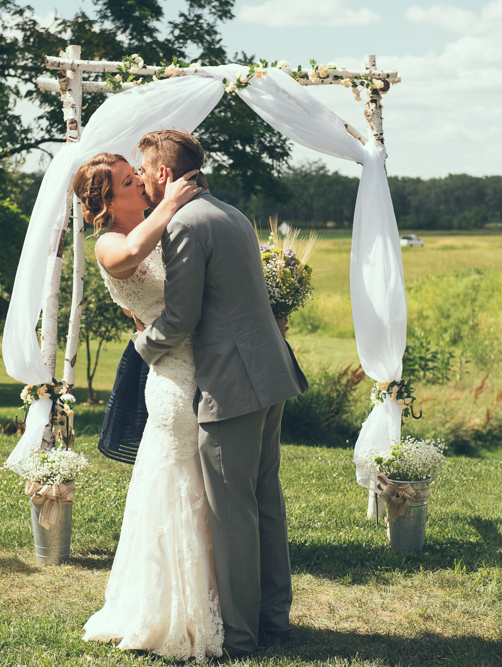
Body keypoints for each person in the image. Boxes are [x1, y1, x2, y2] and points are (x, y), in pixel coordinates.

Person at [132, 130, 308, 657]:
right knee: (264, 500)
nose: (141, 181)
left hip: (232, 383)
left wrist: (141, 344)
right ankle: (273, 618)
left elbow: (182, 318)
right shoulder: (228, 213)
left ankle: (240, 636)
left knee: (232, 511)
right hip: (270, 371)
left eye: (143, 172)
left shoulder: (183, 224)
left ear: (163, 174)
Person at [73, 152, 225, 660]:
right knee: (180, 485)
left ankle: (214, 600)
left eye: (136, 173)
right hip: (172, 380)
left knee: (197, 488)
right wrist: (173, 200)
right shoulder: (111, 244)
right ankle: (177, 612)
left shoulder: (161, 229)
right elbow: (131, 254)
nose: (139, 180)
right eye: (126, 180)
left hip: (200, 366)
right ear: (107, 201)